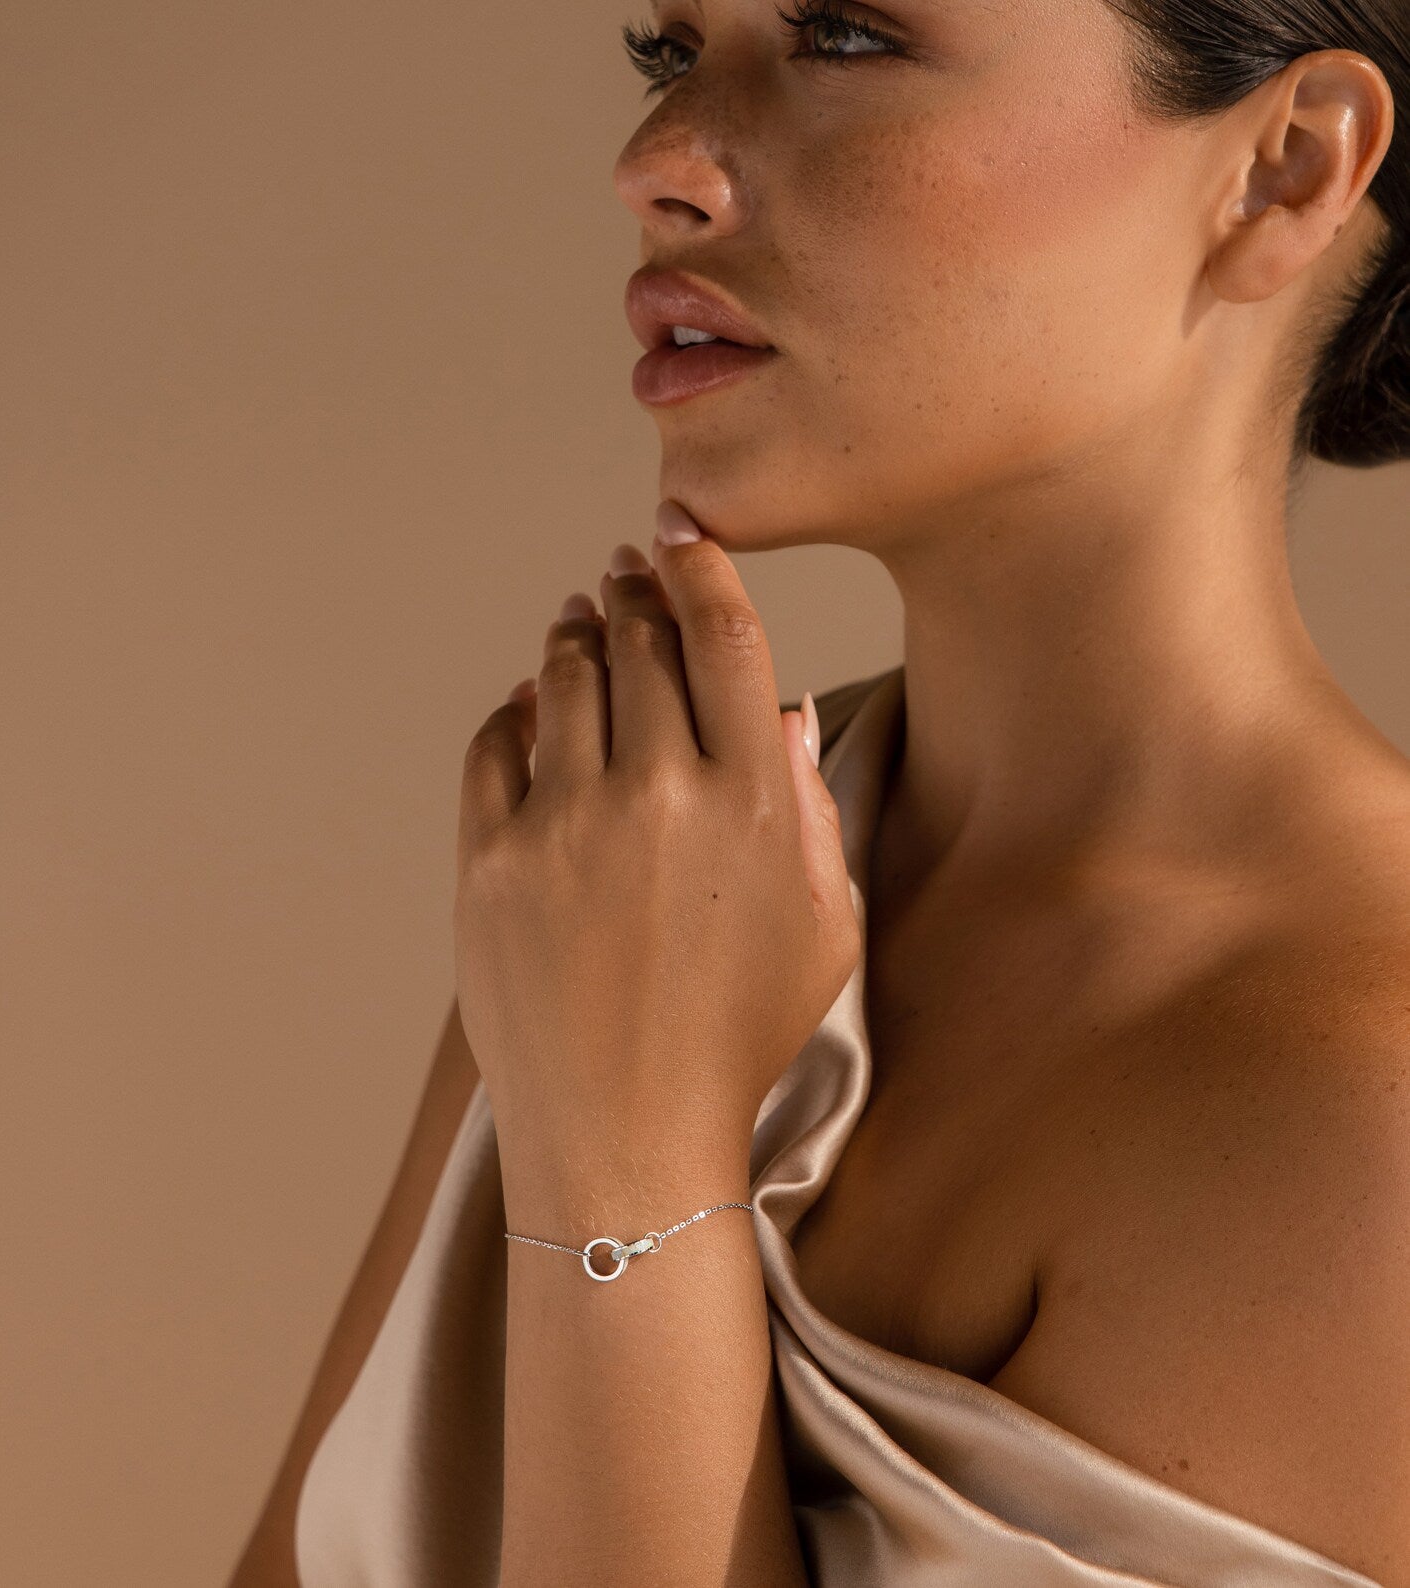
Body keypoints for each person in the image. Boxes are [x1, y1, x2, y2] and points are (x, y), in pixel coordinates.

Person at [230, 1, 1410, 1583]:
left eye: (848, 36)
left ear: (1285, 166)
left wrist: (633, 1164)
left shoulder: (1366, 1121)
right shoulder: (638, 868)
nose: (655, 165)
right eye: (668, 52)